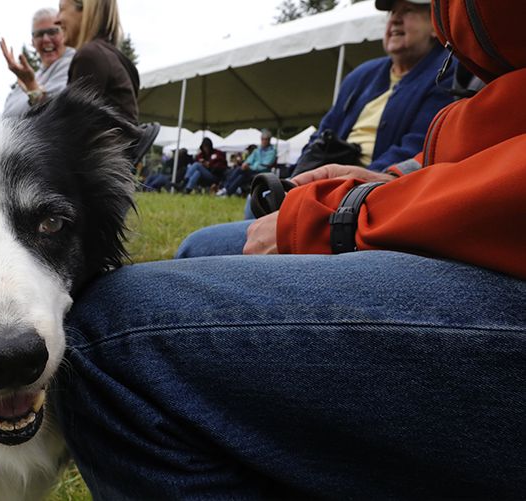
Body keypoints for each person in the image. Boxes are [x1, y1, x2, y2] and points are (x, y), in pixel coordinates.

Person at [56, 0, 526, 497]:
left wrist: (347, 211)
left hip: (481, 239)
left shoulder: (438, 74)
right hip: (428, 199)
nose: (395, 19)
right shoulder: (374, 76)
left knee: (110, 336)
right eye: (390, 10)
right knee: (202, 245)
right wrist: (380, 179)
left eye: (409, 10)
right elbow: (424, 148)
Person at [296, 0, 455, 173]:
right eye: (392, 13)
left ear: (434, 25)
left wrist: (356, 186)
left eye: (408, 10)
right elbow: (323, 132)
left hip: (376, 188)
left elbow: (420, 146)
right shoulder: (361, 75)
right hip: (327, 181)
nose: (395, 19)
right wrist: (298, 176)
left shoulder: (448, 72)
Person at [57, 0, 139, 124]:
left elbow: (73, 126)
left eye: (61, 9)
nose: (56, 20)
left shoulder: (89, 56)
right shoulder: (110, 56)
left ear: (86, 11)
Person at [0, 8, 75, 117]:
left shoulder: (72, 64)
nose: (46, 39)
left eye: (52, 32)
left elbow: (59, 112)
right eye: (39, 34)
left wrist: (31, 86)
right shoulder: (34, 76)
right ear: (33, 42)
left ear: (64, 33)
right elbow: (7, 113)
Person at [216, 129, 275, 197]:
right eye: (262, 139)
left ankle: (225, 190)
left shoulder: (272, 152)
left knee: (239, 170)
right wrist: (245, 164)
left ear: (269, 140)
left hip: (262, 172)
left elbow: (265, 165)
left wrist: (250, 167)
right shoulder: (257, 150)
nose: (264, 141)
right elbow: (250, 159)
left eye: (265, 139)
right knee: (241, 174)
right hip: (251, 170)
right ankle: (227, 191)